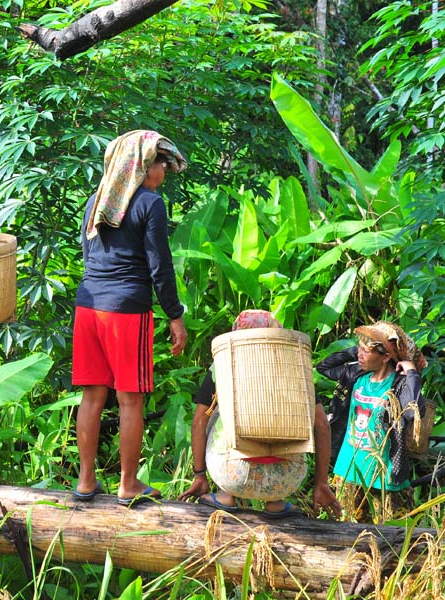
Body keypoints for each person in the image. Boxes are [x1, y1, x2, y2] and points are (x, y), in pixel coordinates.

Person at [71, 129, 188, 507]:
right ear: (141, 165)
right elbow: (160, 265)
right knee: (129, 399)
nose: (164, 172)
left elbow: (88, 257)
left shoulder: (95, 200)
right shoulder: (149, 204)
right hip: (125, 311)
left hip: (88, 307)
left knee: (92, 396)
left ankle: (86, 481)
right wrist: (174, 315)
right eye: (160, 164)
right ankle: (127, 483)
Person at [178, 310, 341, 519]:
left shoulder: (221, 365)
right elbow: (322, 425)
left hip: (232, 473)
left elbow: (200, 421)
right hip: (286, 479)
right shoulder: (296, 367)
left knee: (214, 410)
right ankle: (275, 502)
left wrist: (199, 475)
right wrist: (321, 483)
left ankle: (227, 495)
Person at [316, 321, 426, 523]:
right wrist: (360, 349)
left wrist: (411, 372)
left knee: (397, 532)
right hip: (349, 470)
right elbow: (324, 366)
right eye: (359, 350)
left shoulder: (399, 383)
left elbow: (415, 411)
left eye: (366, 352)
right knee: (349, 531)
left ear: (385, 357)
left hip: (385, 475)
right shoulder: (355, 375)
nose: (360, 355)